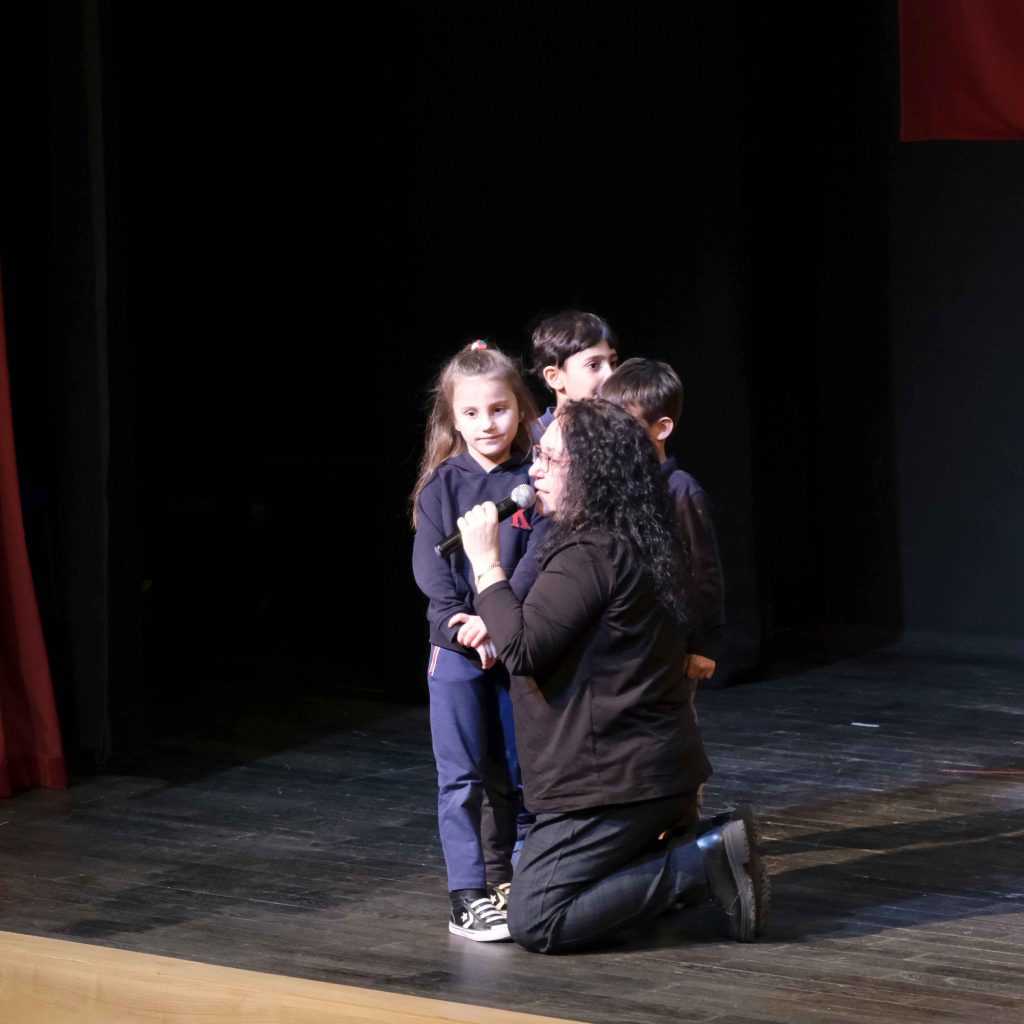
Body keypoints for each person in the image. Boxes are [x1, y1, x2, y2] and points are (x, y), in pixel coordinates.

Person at [453, 400, 769, 953]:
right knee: (555, 891)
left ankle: (702, 860)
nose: (534, 470)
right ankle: (700, 849)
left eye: (550, 459)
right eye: (537, 457)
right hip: (645, 772)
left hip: (617, 783)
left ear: (592, 471)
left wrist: (486, 565)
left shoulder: (592, 552)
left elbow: (522, 647)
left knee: (538, 918)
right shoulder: (623, 537)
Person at [410, 341, 542, 941]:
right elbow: (433, 576)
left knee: (517, 771)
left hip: (513, 642)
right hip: (457, 650)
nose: (487, 424)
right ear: (453, 419)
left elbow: (538, 560)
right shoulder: (441, 485)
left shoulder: (536, 478)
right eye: (471, 413)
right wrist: (463, 625)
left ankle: (513, 876)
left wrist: (497, 621)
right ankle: (466, 894)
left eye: (499, 409)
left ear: (520, 409)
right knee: (462, 777)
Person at [599, 358, 725, 681]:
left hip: (668, 648)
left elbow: (704, 573)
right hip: (620, 646)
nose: (610, 433)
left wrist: (704, 645)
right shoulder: (607, 486)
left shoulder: (681, 490)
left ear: (662, 428)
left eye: (624, 422)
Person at [529, 310, 619, 438]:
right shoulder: (528, 438)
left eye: (613, 363)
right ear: (554, 377)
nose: (611, 374)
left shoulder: (622, 432)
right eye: (593, 365)